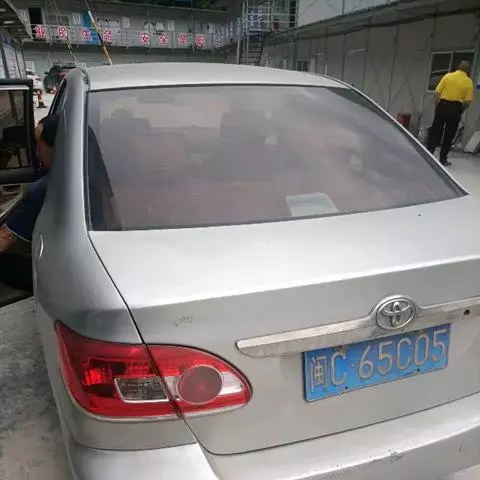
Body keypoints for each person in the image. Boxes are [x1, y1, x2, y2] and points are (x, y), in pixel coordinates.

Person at [0, 115, 59, 293]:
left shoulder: (43, 189)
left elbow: (4, 240)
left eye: (39, 146)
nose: (36, 153)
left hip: (55, 275)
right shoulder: (96, 176)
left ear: (56, 148)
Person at [426, 61, 474, 166]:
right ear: (468, 70)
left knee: (435, 131)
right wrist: (460, 111)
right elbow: (467, 102)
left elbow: (436, 93)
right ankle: (443, 159)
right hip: (456, 108)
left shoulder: (447, 76)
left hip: (442, 105)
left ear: (458, 67)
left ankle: (428, 155)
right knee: (449, 134)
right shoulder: (468, 82)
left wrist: (437, 107)